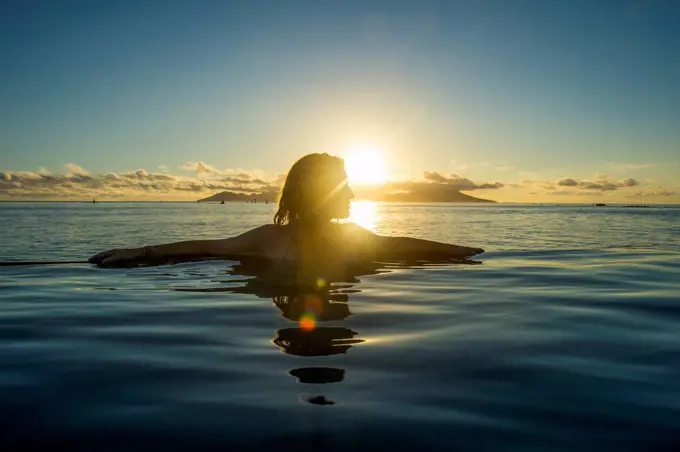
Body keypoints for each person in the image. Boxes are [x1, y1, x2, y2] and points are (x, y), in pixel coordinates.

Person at [88, 153, 484, 268]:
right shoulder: (270, 238)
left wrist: (457, 250)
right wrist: (141, 253)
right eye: (344, 186)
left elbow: (402, 245)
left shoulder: (356, 237)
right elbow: (209, 246)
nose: (353, 193)